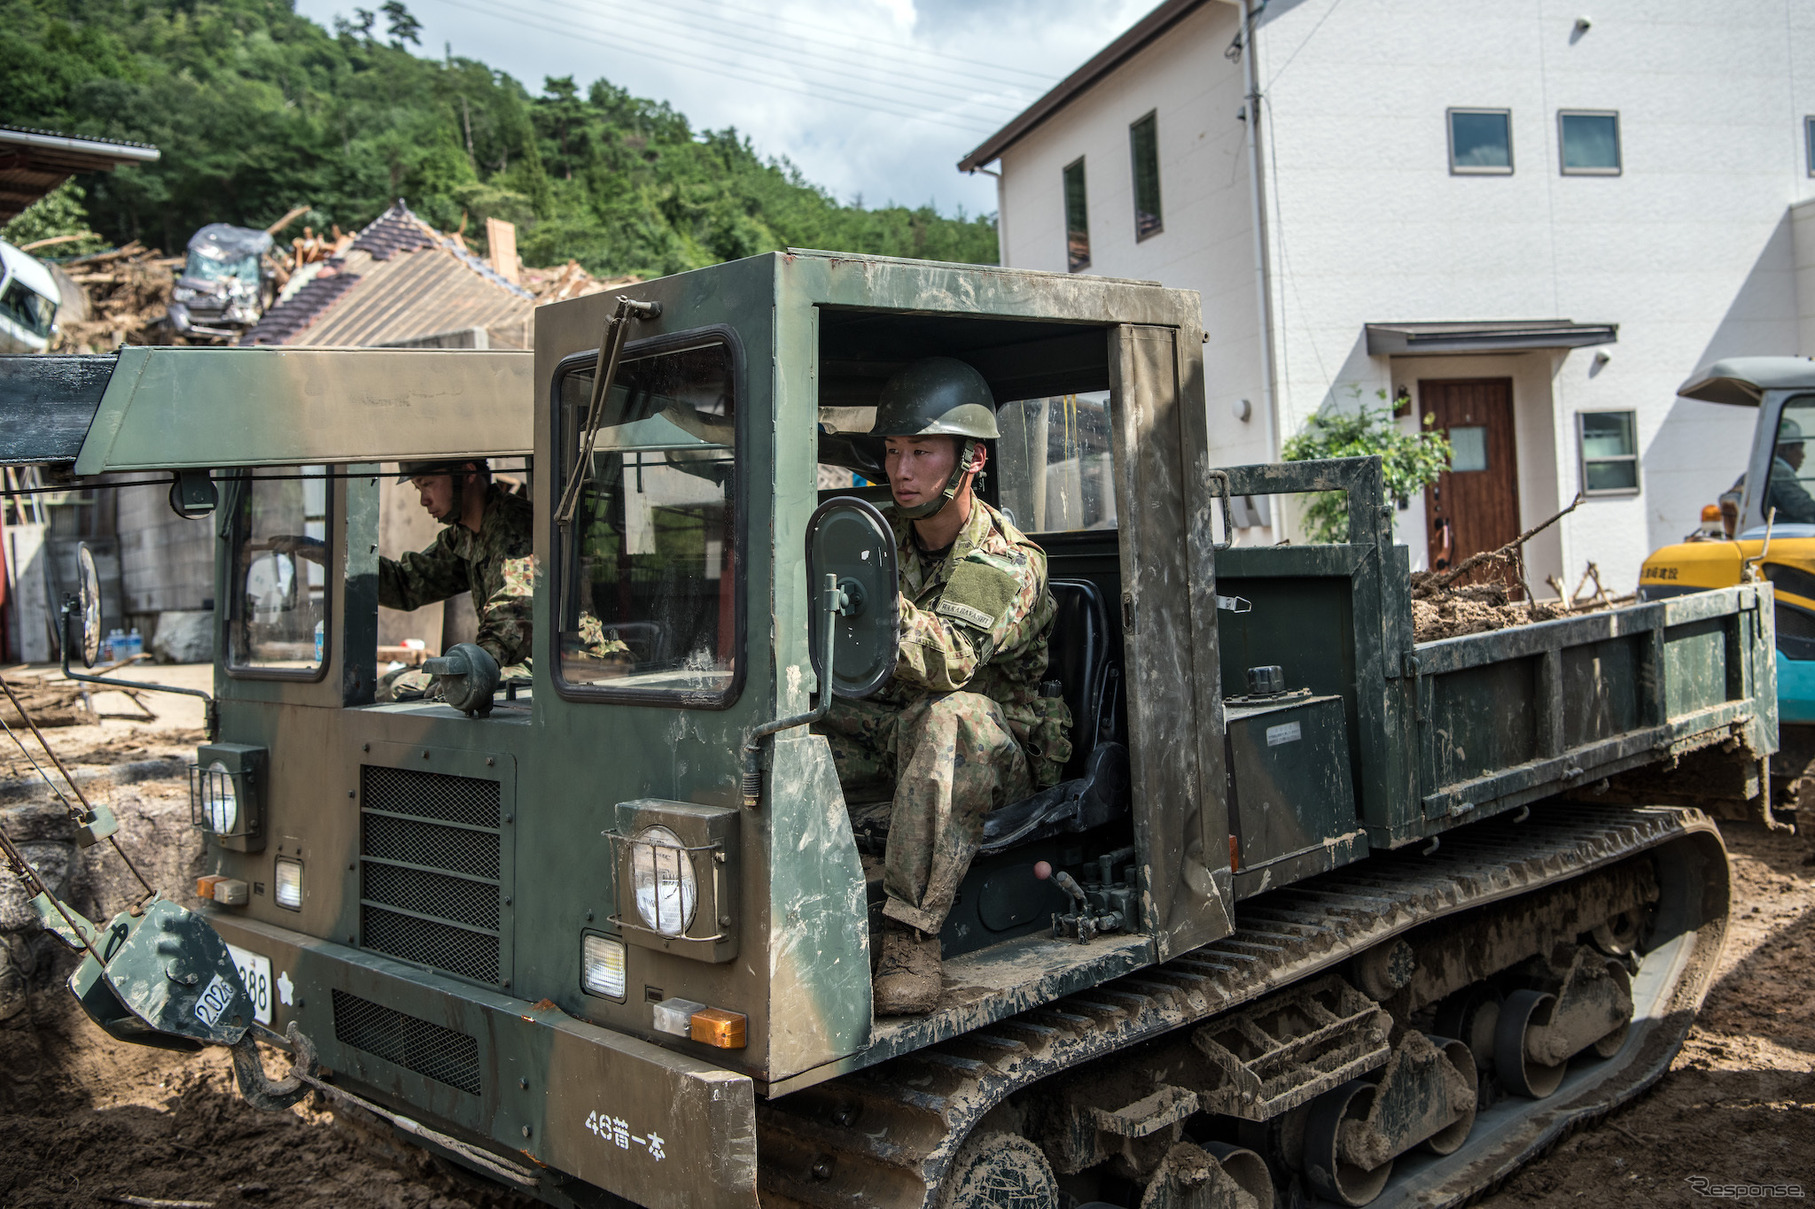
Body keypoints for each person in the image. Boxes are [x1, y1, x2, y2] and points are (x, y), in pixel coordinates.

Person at [817, 357, 1072, 1016]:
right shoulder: (881, 535)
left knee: (951, 716)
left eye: (921, 452)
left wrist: (854, 597)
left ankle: (911, 934)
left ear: (970, 460)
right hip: (900, 732)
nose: (901, 470)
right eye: (893, 451)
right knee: (795, 711)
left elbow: (948, 660)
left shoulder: (1006, 561)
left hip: (994, 754)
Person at [274, 458, 535, 697]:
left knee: (404, 688)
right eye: (418, 489)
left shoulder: (512, 526)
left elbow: (511, 621)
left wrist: (467, 671)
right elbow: (406, 584)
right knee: (387, 682)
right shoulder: (465, 536)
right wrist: (325, 555)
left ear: (467, 473)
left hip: (539, 674)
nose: (423, 500)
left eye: (428, 485)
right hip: (507, 665)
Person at [1764, 417, 1815, 525]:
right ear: (1782, 448)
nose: (1803, 455)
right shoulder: (1780, 473)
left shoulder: (1765, 472)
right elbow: (1802, 508)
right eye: (1799, 448)